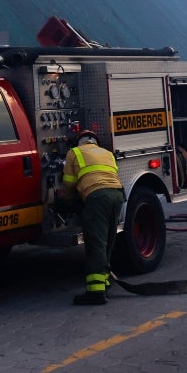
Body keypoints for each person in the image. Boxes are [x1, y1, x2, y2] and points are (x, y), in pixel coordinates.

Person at [61, 129, 124, 305]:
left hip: (97, 197)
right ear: (95, 142)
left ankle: (95, 293)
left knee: (96, 242)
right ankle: (104, 281)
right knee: (109, 240)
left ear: (79, 142)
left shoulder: (74, 152)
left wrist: (68, 200)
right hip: (117, 195)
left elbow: (68, 182)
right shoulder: (107, 153)